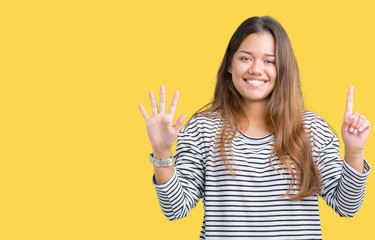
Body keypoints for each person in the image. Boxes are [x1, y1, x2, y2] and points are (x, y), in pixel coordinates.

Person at [138, 16, 371, 239]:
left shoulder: (311, 129)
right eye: (246, 58)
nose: (256, 69)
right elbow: (175, 209)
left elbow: (346, 206)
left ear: (283, 69)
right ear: (230, 64)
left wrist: (354, 152)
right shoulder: (203, 129)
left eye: (269, 61)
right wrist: (161, 153)